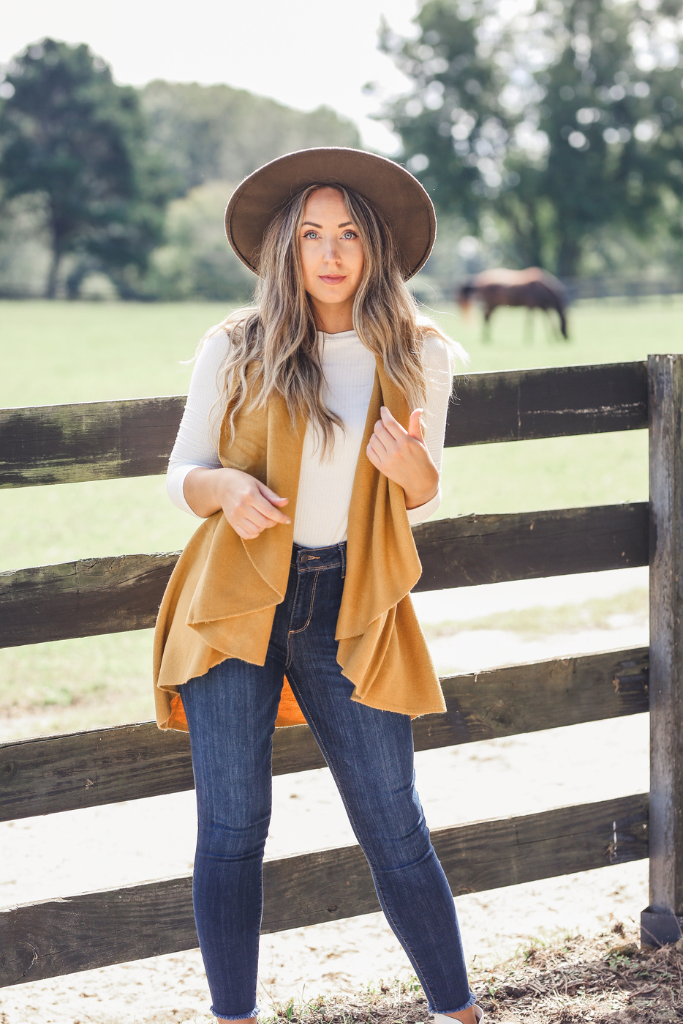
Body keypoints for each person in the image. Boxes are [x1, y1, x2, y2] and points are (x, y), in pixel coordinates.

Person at [153, 147, 483, 1024]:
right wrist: (223, 488)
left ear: (373, 247)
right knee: (230, 832)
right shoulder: (234, 344)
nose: (330, 252)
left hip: (350, 606)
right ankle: (234, 1018)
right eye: (310, 235)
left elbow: (421, 488)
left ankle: (457, 1012)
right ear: (283, 249)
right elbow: (182, 471)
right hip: (234, 600)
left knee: (395, 825)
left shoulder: (418, 352)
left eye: (347, 234)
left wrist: (412, 466)